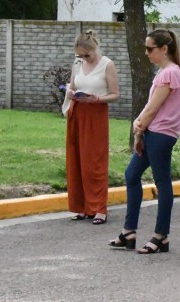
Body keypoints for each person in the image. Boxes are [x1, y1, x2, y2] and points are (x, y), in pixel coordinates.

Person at [108, 29, 180, 254]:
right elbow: (151, 104)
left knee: (162, 182)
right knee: (132, 175)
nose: (146, 52)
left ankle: (161, 236)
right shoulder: (165, 71)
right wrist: (139, 125)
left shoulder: (170, 72)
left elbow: (154, 106)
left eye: (150, 48)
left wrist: (139, 126)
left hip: (162, 134)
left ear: (164, 49)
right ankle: (129, 232)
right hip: (154, 131)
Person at [65, 30, 120, 225]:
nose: (83, 58)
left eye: (86, 55)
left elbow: (115, 94)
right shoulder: (78, 63)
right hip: (77, 111)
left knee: (94, 161)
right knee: (76, 159)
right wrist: (71, 93)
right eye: (80, 55)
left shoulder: (107, 65)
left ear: (94, 48)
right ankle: (81, 207)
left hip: (96, 113)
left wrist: (96, 99)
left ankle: (98, 208)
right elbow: (72, 85)